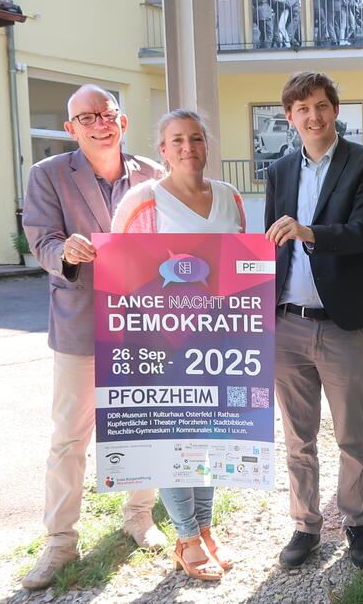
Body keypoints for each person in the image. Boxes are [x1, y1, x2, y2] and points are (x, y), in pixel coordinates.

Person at [21, 85, 165, 590]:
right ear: (71, 129)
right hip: (81, 322)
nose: (99, 123)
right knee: (68, 438)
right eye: (87, 117)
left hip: (143, 324)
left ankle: (139, 515)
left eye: (106, 114)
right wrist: (66, 249)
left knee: (141, 424)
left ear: (122, 121)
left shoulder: (152, 173)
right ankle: (60, 541)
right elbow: (40, 239)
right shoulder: (48, 175)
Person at [111, 109, 245, 580]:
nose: (188, 147)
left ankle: (206, 528)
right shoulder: (141, 200)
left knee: (208, 440)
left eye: (195, 138)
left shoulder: (230, 197)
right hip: (161, 343)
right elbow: (119, 275)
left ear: (206, 145)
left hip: (221, 342)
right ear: (163, 151)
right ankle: (186, 537)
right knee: (174, 439)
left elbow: (240, 269)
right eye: (176, 141)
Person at [264, 72, 363, 569]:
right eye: (301, 109)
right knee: (298, 437)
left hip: (342, 322)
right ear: (290, 117)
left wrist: (309, 231)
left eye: (320, 106)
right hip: (286, 323)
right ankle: (305, 526)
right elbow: (272, 245)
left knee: (351, 435)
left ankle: (357, 525)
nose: (312, 116)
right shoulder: (278, 171)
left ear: (335, 110)